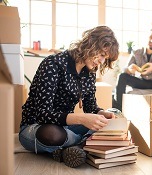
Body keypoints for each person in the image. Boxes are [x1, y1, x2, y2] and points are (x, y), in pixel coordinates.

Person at [19, 26, 119, 168]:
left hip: (66, 128)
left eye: (106, 58)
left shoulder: (89, 72)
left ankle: (68, 148)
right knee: (53, 134)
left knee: (106, 126)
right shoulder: (53, 64)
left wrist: (103, 114)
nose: (102, 61)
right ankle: (83, 144)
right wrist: (82, 119)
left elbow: (91, 107)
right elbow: (43, 114)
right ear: (91, 44)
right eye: (102, 54)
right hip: (37, 128)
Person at [113, 28, 152, 111]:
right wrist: (130, 70)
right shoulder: (136, 52)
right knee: (122, 76)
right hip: (141, 81)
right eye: (150, 37)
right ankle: (119, 109)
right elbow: (125, 69)